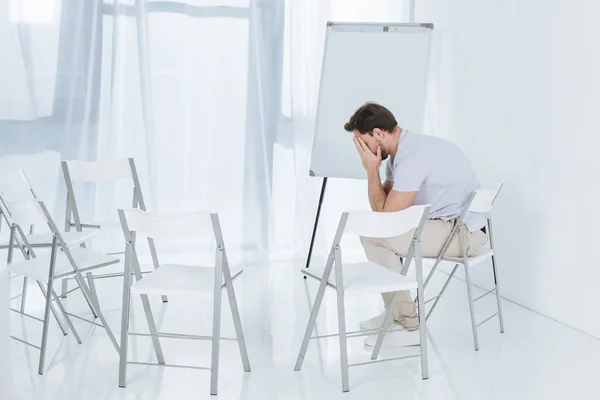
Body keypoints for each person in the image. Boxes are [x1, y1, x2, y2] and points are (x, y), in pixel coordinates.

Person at [344, 102, 487, 347]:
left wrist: (370, 170)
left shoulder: (412, 157)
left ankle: (407, 324)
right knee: (376, 234)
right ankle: (396, 312)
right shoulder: (401, 155)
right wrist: (376, 169)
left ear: (378, 133)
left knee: (374, 238)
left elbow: (385, 215)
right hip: (451, 225)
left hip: (465, 233)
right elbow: (382, 210)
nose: (362, 150)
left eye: (362, 142)